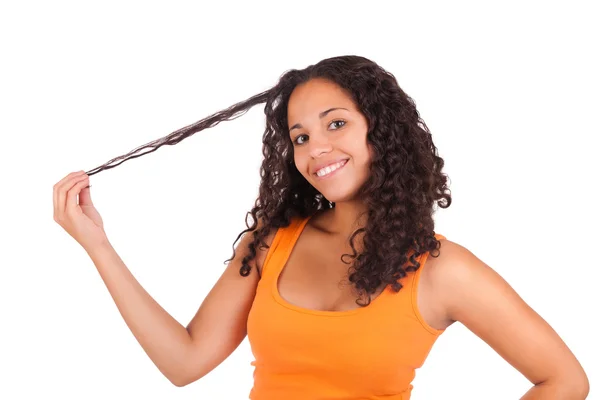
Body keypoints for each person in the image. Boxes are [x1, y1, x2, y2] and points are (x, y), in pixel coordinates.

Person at [52, 55, 589, 399]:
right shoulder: (274, 240)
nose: (317, 148)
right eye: (301, 136)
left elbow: (564, 381)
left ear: (382, 131)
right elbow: (185, 362)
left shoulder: (443, 270)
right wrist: (98, 246)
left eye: (337, 123)